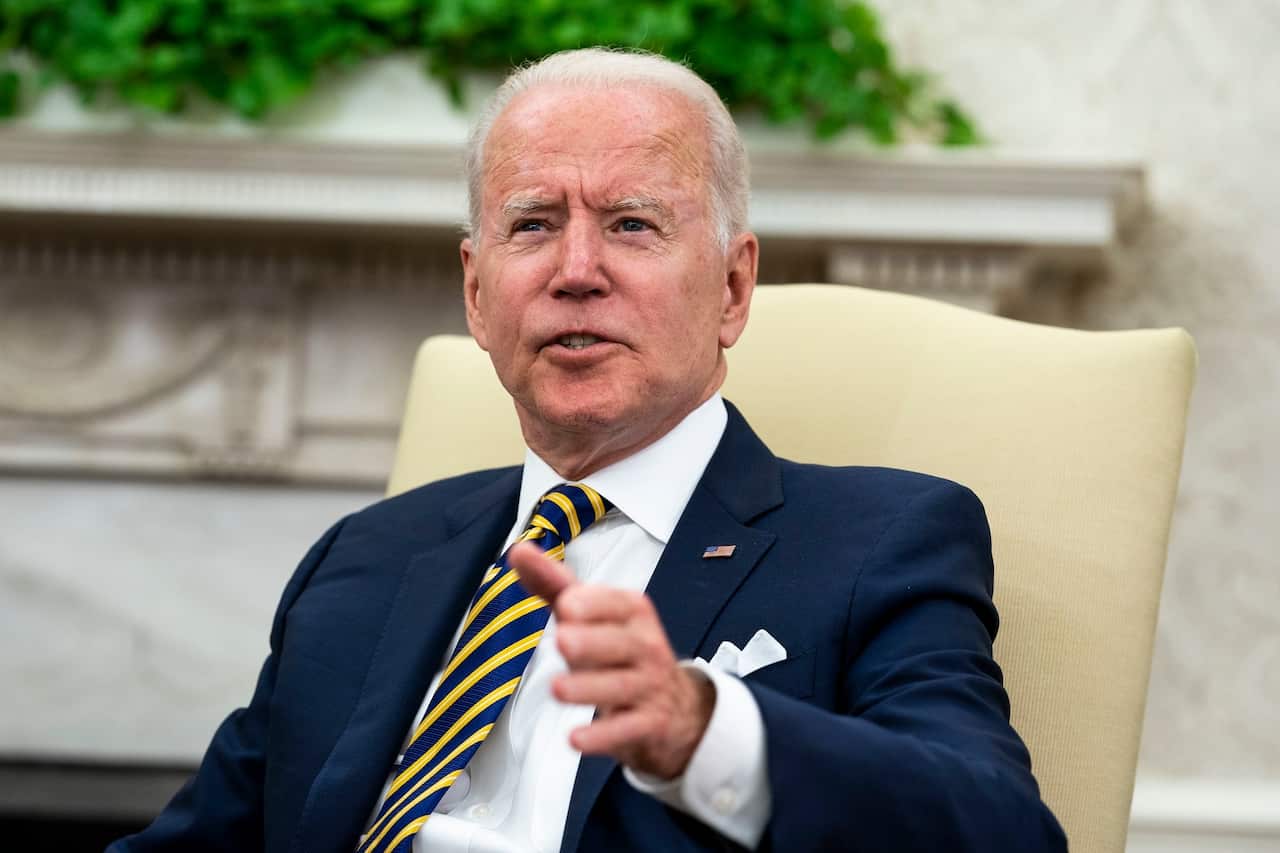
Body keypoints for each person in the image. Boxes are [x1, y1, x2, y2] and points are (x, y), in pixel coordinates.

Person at [111, 48, 1067, 853]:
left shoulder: (880, 540)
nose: (576, 272)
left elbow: (1000, 828)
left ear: (734, 289)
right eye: (533, 224)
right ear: (478, 294)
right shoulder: (364, 556)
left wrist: (705, 731)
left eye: (631, 224)